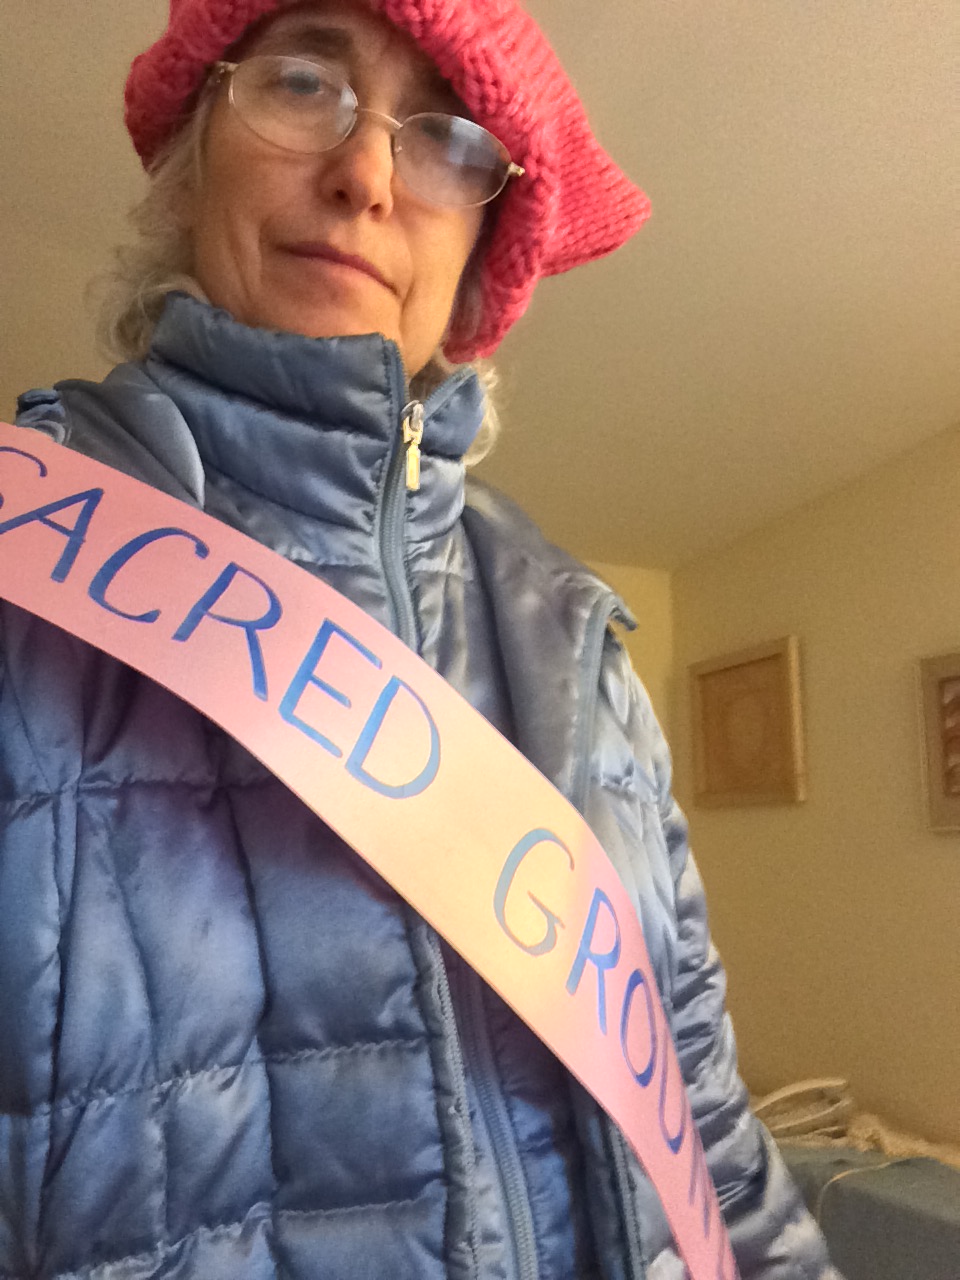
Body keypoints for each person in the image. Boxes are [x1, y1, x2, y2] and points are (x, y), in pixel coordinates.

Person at [1, 0, 841, 1276]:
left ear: (482, 251)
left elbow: (706, 1123)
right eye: (300, 81)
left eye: (447, 137)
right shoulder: (25, 557)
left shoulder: (576, 642)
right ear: (193, 153)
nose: (366, 173)